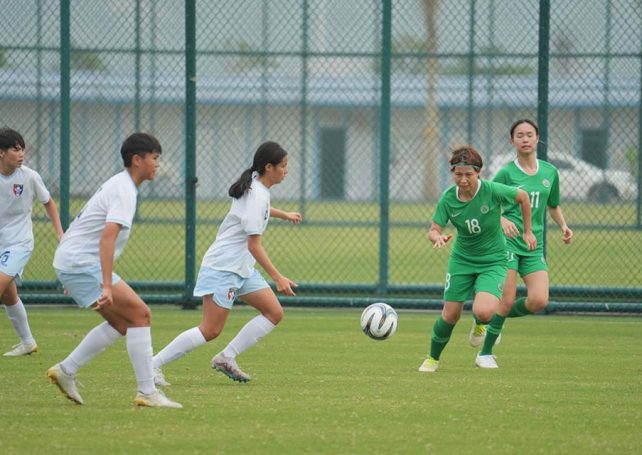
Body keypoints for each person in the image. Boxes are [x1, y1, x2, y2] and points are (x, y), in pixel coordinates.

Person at [46, 133, 181, 408]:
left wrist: (69, 271)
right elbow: (107, 237)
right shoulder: (124, 189)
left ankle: (66, 370)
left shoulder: (122, 185)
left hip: (75, 263)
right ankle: (147, 392)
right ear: (137, 160)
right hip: (81, 263)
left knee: (122, 323)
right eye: (155, 158)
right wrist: (105, 285)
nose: (158, 164)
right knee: (141, 315)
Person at [152, 141, 301, 385]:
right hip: (224, 268)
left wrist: (283, 214)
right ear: (268, 167)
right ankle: (153, 364)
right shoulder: (255, 194)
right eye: (283, 166)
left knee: (274, 312)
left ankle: (226, 357)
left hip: (241, 268)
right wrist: (278, 277)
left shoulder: (257, 187)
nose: (287, 171)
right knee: (210, 330)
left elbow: (261, 209)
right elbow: (255, 245)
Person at [418, 146, 536, 372]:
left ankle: (481, 324)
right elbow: (433, 229)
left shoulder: (491, 190)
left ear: (478, 173)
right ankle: (432, 358)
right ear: (452, 172)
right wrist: (437, 237)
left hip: (493, 260)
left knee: (484, 312)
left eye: (468, 175)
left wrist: (527, 231)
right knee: (450, 314)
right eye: (458, 174)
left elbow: (523, 197)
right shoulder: (448, 199)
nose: (462, 180)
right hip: (462, 259)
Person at [468, 119, 573, 346]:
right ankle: (485, 352)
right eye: (519, 135)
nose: (525, 139)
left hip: (533, 245)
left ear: (537, 138)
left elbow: (553, 204)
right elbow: (485, 203)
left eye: (529, 134)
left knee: (538, 301)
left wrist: (563, 226)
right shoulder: (506, 173)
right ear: (512, 141)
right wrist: (502, 219)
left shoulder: (550, 171)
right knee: (506, 300)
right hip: (507, 243)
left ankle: (493, 319)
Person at [1, 127, 63, 356]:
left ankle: (27, 342)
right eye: (15, 149)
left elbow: (48, 202)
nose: (21, 154)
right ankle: (28, 342)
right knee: (8, 294)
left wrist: (59, 232)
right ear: (1, 153)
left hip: (19, 243)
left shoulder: (29, 176)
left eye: (22, 149)